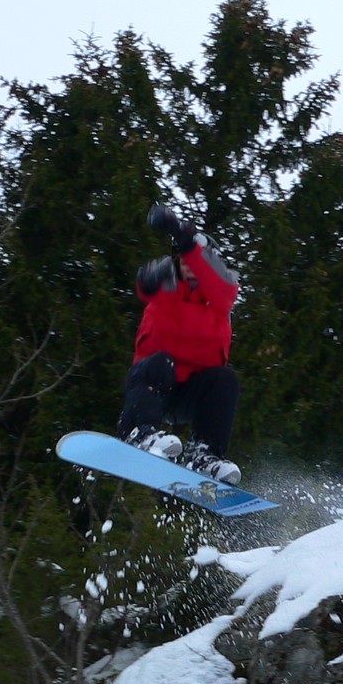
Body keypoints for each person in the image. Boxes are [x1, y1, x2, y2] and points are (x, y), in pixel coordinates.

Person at [117, 201, 244, 485]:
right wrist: (150, 278)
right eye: (183, 259)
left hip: (190, 394)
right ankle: (139, 432)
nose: (189, 264)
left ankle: (205, 455)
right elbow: (151, 288)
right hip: (153, 384)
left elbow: (223, 288)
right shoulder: (170, 282)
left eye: (196, 260)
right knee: (161, 362)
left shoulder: (220, 298)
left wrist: (187, 240)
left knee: (226, 379)